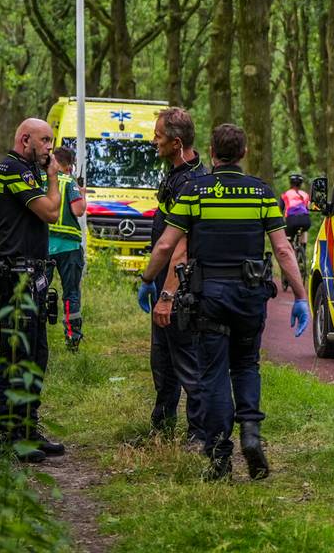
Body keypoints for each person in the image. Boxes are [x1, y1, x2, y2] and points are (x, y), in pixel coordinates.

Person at [144, 123, 311, 481]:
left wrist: (149, 282)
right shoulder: (262, 193)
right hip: (250, 296)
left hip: (208, 298)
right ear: (244, 152)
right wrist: (301, 296)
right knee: (247, 365)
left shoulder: (195, 191)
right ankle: (250, 433)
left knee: (214, 373)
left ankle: (220, 457)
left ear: (212, 150)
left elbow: (166, 245)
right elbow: (282, 248)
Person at [0, 118, 66, 463]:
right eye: (44, 140)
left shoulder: (27, 170)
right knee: (17, 356)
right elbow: (51, 211)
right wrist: (52, 177)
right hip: (14, 277)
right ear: (25, 138)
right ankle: (10, 433)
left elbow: (53, 213)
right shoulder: (10, 170)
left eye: (51, 140)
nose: (49, 147)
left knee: (37, 356)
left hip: (34, 275)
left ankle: (29, 426)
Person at [137, 107, 208, 444]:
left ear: (177, 142)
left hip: (181, 286)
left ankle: (199, 432)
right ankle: (162, 428)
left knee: (187, 361)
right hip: (163, 281)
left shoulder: (194, 182)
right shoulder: (174, 174)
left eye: (159, 137)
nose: (154, 141)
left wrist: (166, 294)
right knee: (162, 360)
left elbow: (180, 246)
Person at [47, 146, 86, 351]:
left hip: (44, 246)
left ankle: (34, 334)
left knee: (37, 290)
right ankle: (72, 338)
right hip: (69, 247)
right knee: (71, 293)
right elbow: (78, 210)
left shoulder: (43, 181)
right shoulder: (69, 182)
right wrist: (82, 195)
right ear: (69, 166)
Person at [280, 173, 311, 289]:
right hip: (305, 221)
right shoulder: (305, 194)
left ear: (290, 184)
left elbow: (280, 210)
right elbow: (308, 209)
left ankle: (291, 257)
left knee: (288, 240)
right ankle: (302, 249)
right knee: (303, 230)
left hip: (291, 221)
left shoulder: (285, 194)